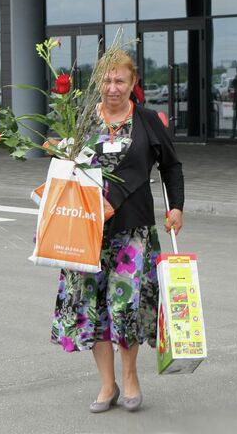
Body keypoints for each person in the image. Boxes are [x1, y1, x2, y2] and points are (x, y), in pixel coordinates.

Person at [51, 49, 184, 413]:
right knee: (92, 308)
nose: (112, 88)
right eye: (107, 80)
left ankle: (130, 378)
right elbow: (65, 170)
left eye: (120, 80)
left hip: (133, 231)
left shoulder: (147, 120)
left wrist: (176, 208)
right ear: (98, 83)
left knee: (125, 306)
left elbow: (171, 167)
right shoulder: (80, 123)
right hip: (86, 233)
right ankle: (106, 384)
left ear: (134, 83)